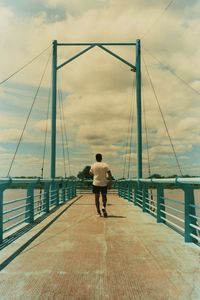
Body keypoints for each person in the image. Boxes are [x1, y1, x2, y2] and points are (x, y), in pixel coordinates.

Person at [89, 153, 112, 217]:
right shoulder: (105, 165)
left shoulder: (93, 165)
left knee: (97, 198)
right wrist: (110, 183)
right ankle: (103, 207)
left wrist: (95, 174)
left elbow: (90, 173)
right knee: (104, 196)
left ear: (96, 158)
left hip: (96, 183)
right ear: (101, 158)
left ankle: (98, 212)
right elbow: (110, 174)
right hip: (104, 183)